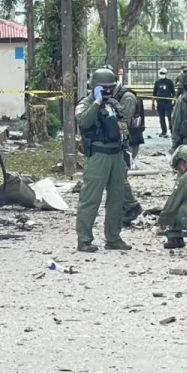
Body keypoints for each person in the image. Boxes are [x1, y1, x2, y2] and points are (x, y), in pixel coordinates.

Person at [74, 68, 132, 253]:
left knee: (117, 197)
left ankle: (113, 237)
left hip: (116, 154)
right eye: (104, 88)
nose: (108, 91)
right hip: (98, 154)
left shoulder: (114, 104)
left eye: (111, 87)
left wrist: (125, 152)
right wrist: (97, 102)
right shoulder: (86, 103)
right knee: (90, 198)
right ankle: (84, 239)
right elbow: (84, 122)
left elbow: (123, 127)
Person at [115, 81, 144, 225]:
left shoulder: (127, 98)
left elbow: (123, 123)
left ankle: (130, 207)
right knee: (119, 176)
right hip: (123, 142)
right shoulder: (119, 96)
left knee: (120, 175)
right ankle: (124, 209)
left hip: (129, 142)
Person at [152, 68, 176, 137]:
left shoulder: (169, 82)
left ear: (166, 74)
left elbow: (173, 92)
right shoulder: (157, 82)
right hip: (160, 102)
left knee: (170, 117)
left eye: (163, 73)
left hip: (168, 102)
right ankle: (164, 131)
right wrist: (153, 103)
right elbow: (154, 93)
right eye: (161, 73)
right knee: (161, 118)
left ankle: (172, 131)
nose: (162, 75)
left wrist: (174, 101)